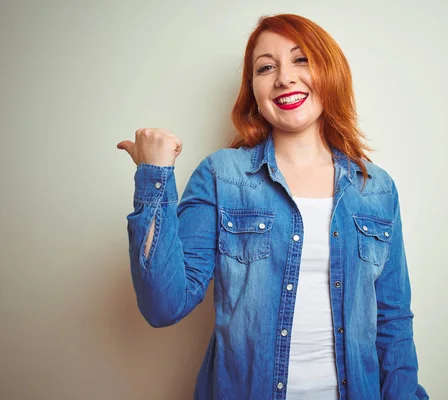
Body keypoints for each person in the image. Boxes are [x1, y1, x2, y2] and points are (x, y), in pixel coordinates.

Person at [117, 13, 428, 400]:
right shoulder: (222, 176)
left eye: (301, 60)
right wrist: (155, 177)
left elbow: (393, 324)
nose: (284, 78)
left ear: (329, 73)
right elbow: (163, 305)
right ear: (254, 90)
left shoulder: (376, 188)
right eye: (267, 67)